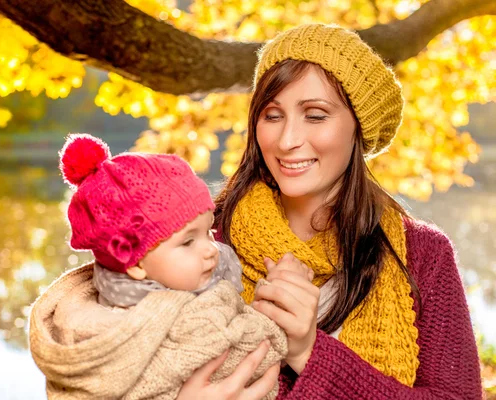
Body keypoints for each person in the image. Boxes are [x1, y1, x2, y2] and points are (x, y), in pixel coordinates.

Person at [177, 23, 483, 399]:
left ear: (358, 128)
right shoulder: (202, 239)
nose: (288, 141)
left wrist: (308, 352)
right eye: (272, 115)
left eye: (316, 115)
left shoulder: (424, 256)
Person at [28, 134, 289, 399]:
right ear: (136, 264)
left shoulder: (176, 281)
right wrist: (276, 306)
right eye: (188, 242)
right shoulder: (122, 334)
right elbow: (263, 347)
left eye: (208, 231)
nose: (211, 249)